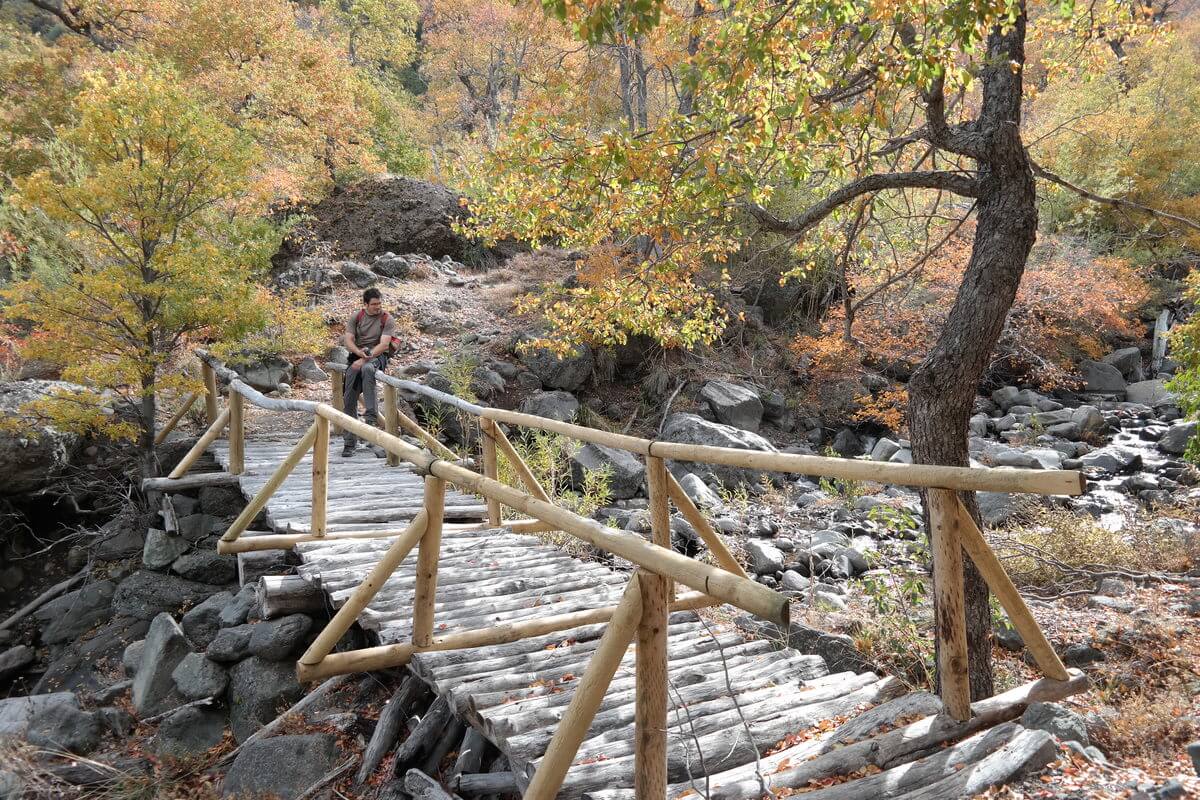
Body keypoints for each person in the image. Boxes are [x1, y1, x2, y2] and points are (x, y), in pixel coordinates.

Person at [342, 288, 397, 457]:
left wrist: (365, 358)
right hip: (358, 355)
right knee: (349, 397)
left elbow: (384, 345)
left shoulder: (387, 319)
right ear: (365, 304)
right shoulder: (356, 317)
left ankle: (371, 416)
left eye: (379, 303)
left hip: (377, 356)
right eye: (374, 304)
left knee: (367, 369)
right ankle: (349, 442)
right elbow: (348, 340)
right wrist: (359, 354)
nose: (378, 307)